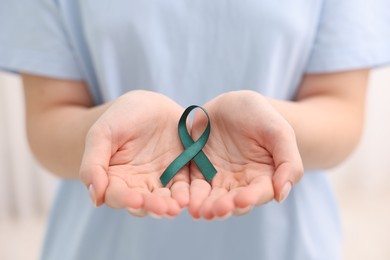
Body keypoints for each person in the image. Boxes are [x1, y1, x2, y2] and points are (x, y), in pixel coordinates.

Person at [1, 0, 389, 259]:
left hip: (282, 245)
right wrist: (104, 131)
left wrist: (271, 127)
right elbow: (46, 123)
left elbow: (343, 112)